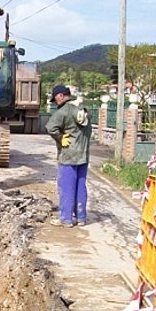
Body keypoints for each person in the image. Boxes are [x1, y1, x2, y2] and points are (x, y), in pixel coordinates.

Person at [45, 85, 92, 227]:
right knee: (80, 186)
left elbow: (50, 127)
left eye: (55, 99)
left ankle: (66, 219)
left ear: (60, 96)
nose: (56, 102)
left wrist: (60, 137)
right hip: (83, 155)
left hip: (68, 155)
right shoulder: (83, 109)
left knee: (66, 187)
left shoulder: (64, 111)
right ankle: (81, 218)